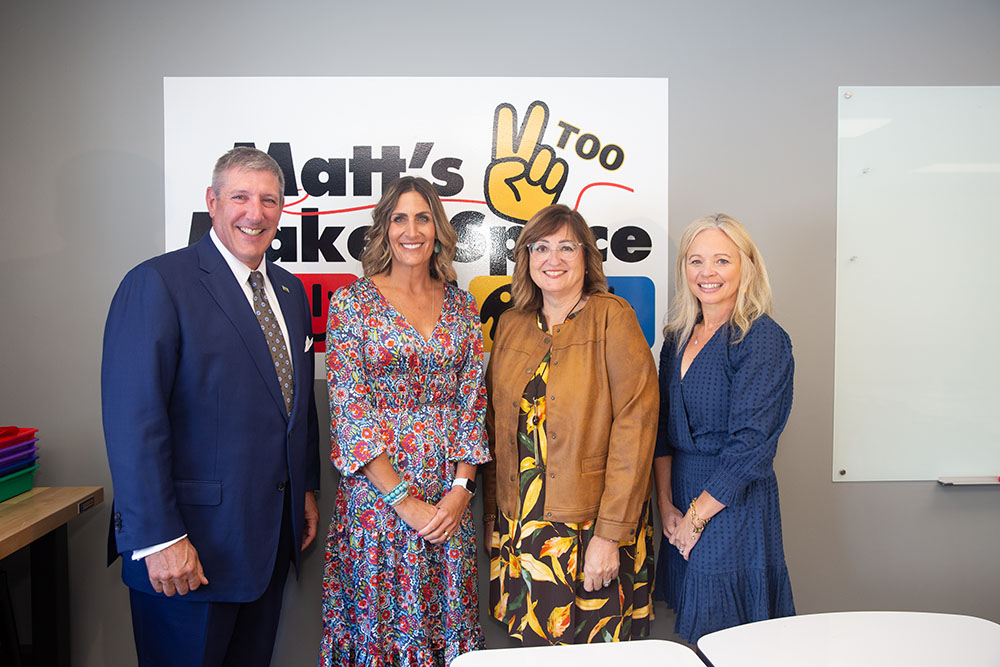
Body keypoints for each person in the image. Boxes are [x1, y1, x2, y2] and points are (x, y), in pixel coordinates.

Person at [102, 147, 320, 666]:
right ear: (212, 201)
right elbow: (134, 424)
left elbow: (296, 407)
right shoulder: (157, 283)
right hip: (188, 551)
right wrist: (160, 538)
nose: (255, 212)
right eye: (240, 196)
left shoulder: (289, 291)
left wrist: (305, 488)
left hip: (267, 542)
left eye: (269, 200)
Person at [320, 176, 490, 665]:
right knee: (380, 630)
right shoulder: (352, 304)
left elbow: (470, 404)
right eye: (399, 218)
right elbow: (350, 412)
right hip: (378, 505)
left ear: (437, 228)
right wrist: (402, 500)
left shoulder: (462, 306)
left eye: (422, 217)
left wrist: (461, 491)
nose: (411, 230)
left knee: (444, 625)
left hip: (445, 505)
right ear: (384, 229)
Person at [482, 204, 658, 645]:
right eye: (540, 247)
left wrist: (609, 536)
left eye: (566, 247)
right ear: (526, 259)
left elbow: (635, 429)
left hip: (588, 527)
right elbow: (495, 428)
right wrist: (492, 516)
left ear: (586, 258)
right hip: (522, 528)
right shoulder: (510, 325)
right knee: (531, 649)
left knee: (593, 652)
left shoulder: (612, 317)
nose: (552, 258)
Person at [653, 213, 795, 643]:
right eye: (696, 261)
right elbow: (661, 429)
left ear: (747, 266)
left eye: (721, 260)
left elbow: (752, 446)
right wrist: (667, 506)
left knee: (727, 638)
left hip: (732, 503)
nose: (707, 273)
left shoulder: (762, 338)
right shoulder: (677, 336)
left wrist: (696, 519)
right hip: (680, 498)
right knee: (693, 634)